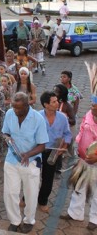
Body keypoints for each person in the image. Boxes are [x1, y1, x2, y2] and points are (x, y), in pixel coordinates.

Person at [2, 92, 48, 233]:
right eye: (14, 107)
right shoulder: (10, 113)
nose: (15, 111)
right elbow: (5, 132)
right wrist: (7, 138)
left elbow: (42, 145)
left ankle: (29, 220)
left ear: (27, 106)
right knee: (10, 193)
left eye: (19, 108)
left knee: (30, 194)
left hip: (31, 162)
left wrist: (28, 154)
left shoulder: (38, 119)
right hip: (11, 160)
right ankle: (15, 221)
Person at [60, 97, 97, 231]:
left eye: (95, 106)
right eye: (92, 104)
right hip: (83, 158)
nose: (92, 107)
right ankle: (75, 213)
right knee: (78, 186)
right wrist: (78, 144)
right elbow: (82, 129)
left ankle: (94, 219)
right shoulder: (88, 114)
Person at [37, 91, 72, 213]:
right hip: (37, 151)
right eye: (54, 101)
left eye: (57, 101)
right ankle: (26, 198)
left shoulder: (62, 117)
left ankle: (42, 201)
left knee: (48, 178)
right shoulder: (37, 116)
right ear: (46, 105)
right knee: (33, 176)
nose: (57, 103)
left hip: (53, 152)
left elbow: (67, 134)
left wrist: (64, 145)